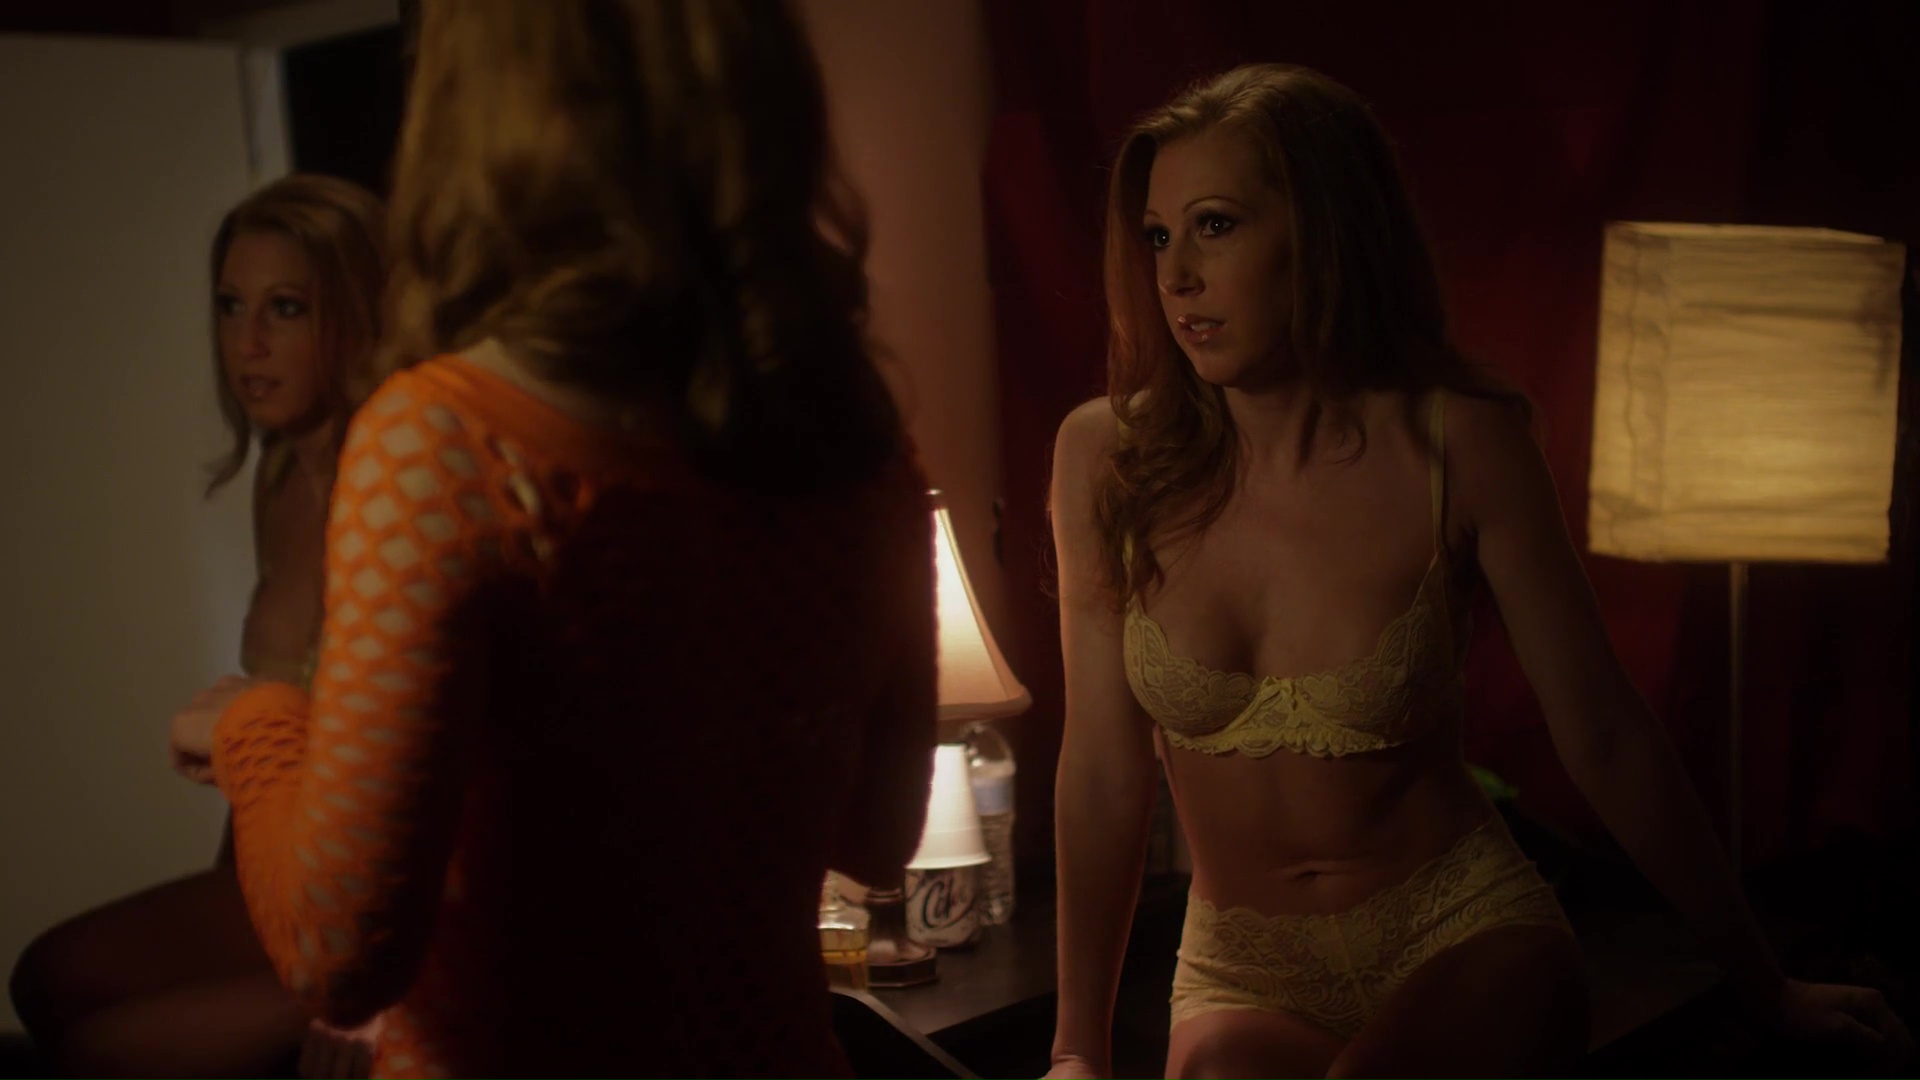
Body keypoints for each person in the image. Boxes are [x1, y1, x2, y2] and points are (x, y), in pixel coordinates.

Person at [1044, 64, 1913, 1080]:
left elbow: (1606, 734)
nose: (1177, 276)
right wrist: (1076, 1053)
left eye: (1216, 226)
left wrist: (1766, 986)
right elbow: (1102, 770)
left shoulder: (1461, 443)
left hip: (1458, 934)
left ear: (1326, 232)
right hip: (1241, 970)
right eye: (1158, 236)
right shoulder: (1105, 458)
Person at [167, 1, 938, 1078]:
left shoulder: (447, 440)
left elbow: (338, 954)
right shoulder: (858, 443)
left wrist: (255, 728)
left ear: (484, 111)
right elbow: (880, 838)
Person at [8, 173, 386, 1080]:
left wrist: (380, 994)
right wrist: (235, 875)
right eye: (229, 306)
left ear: (356, 318)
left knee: (105, 1050)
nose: (247, 344)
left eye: (286, 308)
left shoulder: (395, 484)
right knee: (46, 977)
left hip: (385, 892)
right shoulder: (279, 478)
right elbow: (274, 726)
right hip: (295, 860)